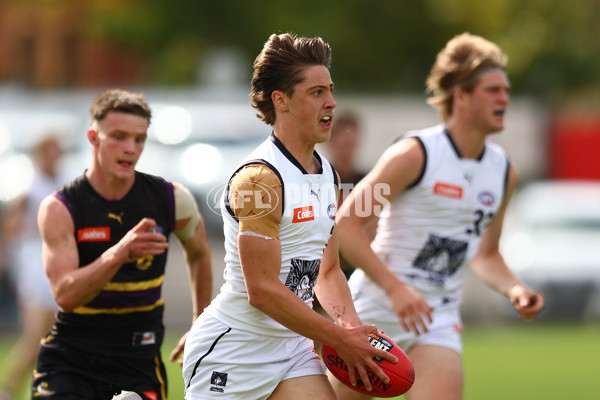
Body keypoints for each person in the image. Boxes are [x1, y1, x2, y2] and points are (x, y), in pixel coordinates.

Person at [329, 32, 545, 400]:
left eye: (506, 90)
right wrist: (396, 289)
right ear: (461, 95)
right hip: (375, 312)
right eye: (492, 90)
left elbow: (487, 254)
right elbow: (346, 224)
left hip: (438, 322)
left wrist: (516, 289)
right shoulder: (413, 155)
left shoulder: (504, 172)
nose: (504, 98)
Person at [181, 33, 397, 400]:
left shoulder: (326, 174)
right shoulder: (259, 179)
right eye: (316, 93)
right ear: (280, 101)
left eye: (330, 90)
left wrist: (353, 331)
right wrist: (337, 337)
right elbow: (262, 291)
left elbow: (326, 272)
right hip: (234, 350)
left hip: (292, 350)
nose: (331, 102)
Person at [31, 88, 213, 400]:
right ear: (93, 137)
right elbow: (65, 295)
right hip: (71, 361)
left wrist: (201, 321)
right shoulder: (61, 208)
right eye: (118, 136)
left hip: (138, 359)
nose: (130, 148)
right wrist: (119, 253)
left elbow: (198, 253)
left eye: (139, 139)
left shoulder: (171, 200)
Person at [0, 134, 70, 400]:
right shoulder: (30, 187)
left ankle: (43, 388)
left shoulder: (65, 181)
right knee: (36, 337)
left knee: (54, 337)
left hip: (58, 262)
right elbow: (10, 228)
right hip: (35, 265)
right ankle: (8, 389)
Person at [324, 111, 370, 279]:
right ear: (330, 143)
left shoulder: (367, 181)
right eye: (343, 144)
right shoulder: (319, 182)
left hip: (357, 264)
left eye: (351, 144)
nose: (348, 150)